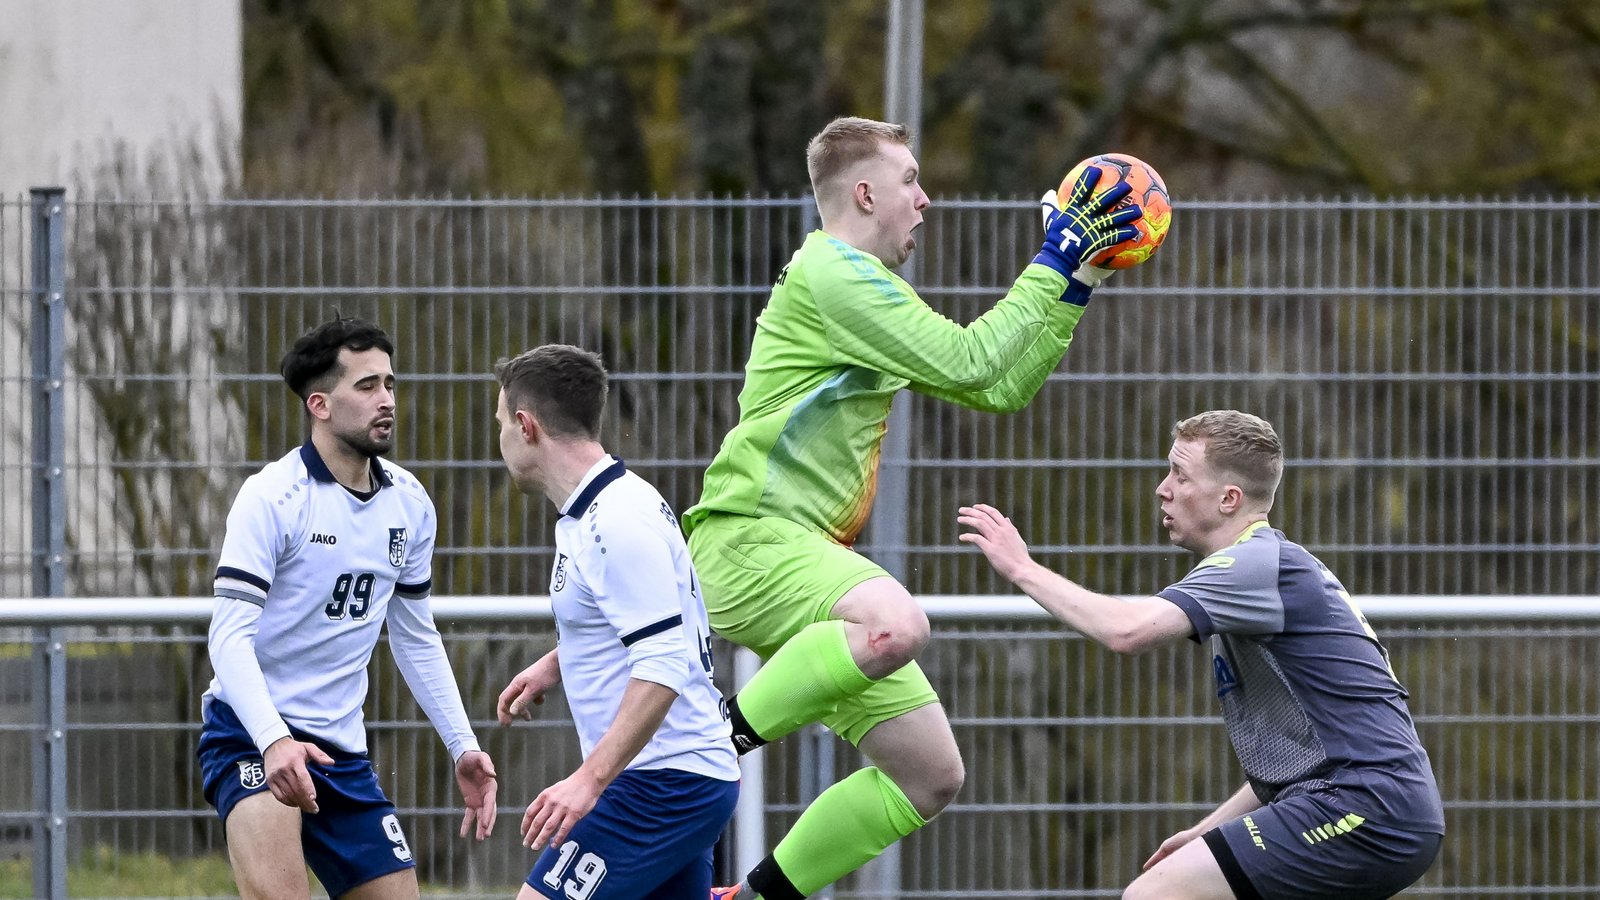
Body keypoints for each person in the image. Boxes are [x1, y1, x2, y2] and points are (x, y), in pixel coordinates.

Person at [682, 115, 1144, 900]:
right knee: (895, 624)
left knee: (931, 775)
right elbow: (971, 359)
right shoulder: (833, 274)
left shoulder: (864, 287)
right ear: (865, 192)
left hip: (804, 554)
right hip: (751, 543)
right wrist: (1054, 255)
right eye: (910, 181)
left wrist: (1077, 282)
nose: (925, 200)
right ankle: (705, 744)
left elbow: (999, 387)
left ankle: (751, 897)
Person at [957, 410, 1445, 900]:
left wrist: (1021, 567)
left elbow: (1127, 631)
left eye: (1180, 474)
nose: (1163, 488)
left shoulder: (1252, 566)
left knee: (1153, 895)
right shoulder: (1264, 570)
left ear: (1229, 499)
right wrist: (1209, 832)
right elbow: (1297, 756)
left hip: (1365, 807)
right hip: (1374, 807)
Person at [198, 315, 498, 900]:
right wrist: (274, 739)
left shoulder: (409, 504)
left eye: (390, 383)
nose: (386, 400)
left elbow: (414, 636)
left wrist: (463, 746)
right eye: (366, 387)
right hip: (251, 736)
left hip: (342, 755)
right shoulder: (273, 498)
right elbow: (228, 637)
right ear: (320, 404)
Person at [491, 344, 741, 900]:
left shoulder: (616, 520)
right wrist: (562, 661)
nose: (501, 439)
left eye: (502, 423)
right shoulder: (591, 511)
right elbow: (641, 622)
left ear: (526, 426)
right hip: (672, 779)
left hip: (662, 784)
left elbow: (666, 661)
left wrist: (588, 781)